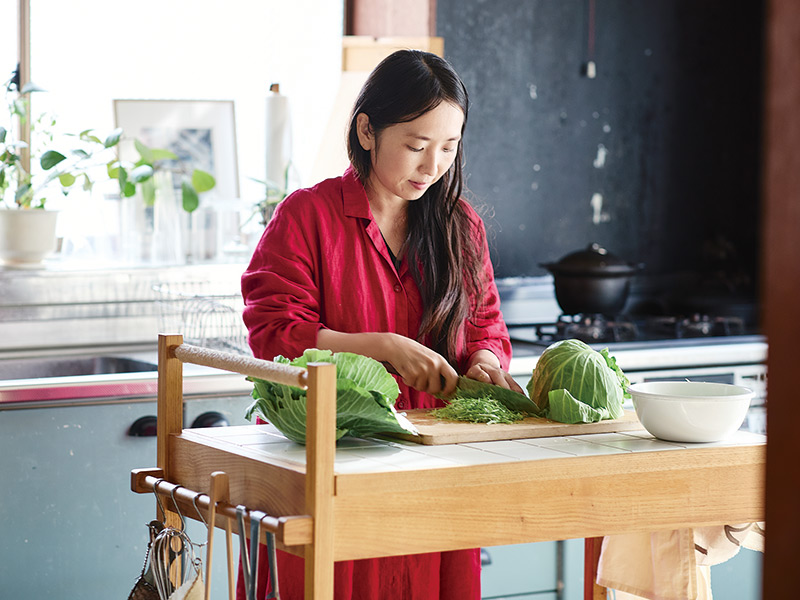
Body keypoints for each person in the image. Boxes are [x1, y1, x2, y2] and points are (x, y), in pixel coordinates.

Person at [240, 48, 523, 600]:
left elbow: (487, 325)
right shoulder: (307, 215)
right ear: (367, 131)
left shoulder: (460, 226)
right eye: (417, 146)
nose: (433, 165)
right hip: (330, 462)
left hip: (436, 464)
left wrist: (486, 361)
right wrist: (384, 348)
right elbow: (274, 335)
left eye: (449, 147)